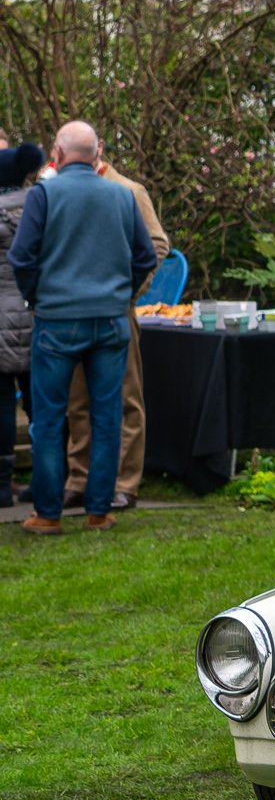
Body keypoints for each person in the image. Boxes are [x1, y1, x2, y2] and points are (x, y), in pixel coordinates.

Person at [7, 121, 156, 533]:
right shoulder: (121, 196)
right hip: (110, 320)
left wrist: (37, 296)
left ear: (57, 151)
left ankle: (49, 514)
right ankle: (98, 511)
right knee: (108, 417)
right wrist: (120, 295)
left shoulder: (45, 194)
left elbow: (21, 256)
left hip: (56, 320)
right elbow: (147, 255)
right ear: (96, 153)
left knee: (50, 420)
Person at [64, 140, 170, 512]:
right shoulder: (64, 190)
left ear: (98, 151)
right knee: (78, 401)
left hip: (116, 310)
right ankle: (79, 478)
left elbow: (158, 245)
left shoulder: (129, 191)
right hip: (73, 311)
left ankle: (125, 484)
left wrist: (127, 292)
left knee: (125, 399)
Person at [0, 142, 46, 507]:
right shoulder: (41, 204)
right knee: (39, 402)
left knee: (0, 405)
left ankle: (1, 485)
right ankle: (46, 479)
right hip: (35, 316)